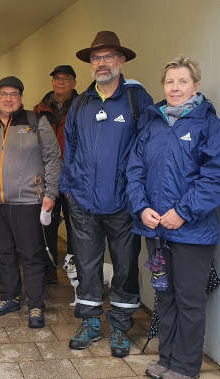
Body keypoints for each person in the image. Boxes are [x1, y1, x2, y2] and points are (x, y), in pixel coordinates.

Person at [128, 57, 220, 379]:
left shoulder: (208, 125)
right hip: (156, 231)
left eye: (182, 81)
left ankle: (186, 367)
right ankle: (167, 360)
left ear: (196, 86)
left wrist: (182, 213)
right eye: (170, 82)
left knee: (189, 301)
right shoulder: (152, 124)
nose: (175, 88)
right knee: (165, 296)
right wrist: (141, 207)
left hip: (192, 234)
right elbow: (134, 171)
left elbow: (218, 176)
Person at [60, 31, 154, 358]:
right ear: (90, 64)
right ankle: (90, 324)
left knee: (126, 266)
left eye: (108, 57)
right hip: (84, 203)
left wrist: (138, 194)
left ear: (121, 61)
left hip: (123, 203)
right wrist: (68, 189)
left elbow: (149, 148)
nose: (102, 63)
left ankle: (119, 326)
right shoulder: (81, 102)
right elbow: (69, 146)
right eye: (96, 58)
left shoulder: (135, 98)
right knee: (87, 265)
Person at [0, 76, 62, 329]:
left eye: (14, 94)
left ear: (21, 98)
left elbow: (53, 158)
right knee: (2, 252)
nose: (8, 99)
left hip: (28, 201)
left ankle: (35, 305)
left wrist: (51, 194)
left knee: (31, 254)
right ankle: (9, 296)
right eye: (3, 94)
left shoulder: (35, 121)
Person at [33, 64, 79, 285]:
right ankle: (48, 273)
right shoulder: (38, 110)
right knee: (46, 227)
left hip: (74, 180)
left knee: (76, 230)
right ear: (52, 82)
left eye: (66, 79)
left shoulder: (83, 107)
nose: (61, 82)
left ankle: (76, 275)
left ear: (74, 83)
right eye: (57, 78)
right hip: (47, 179)